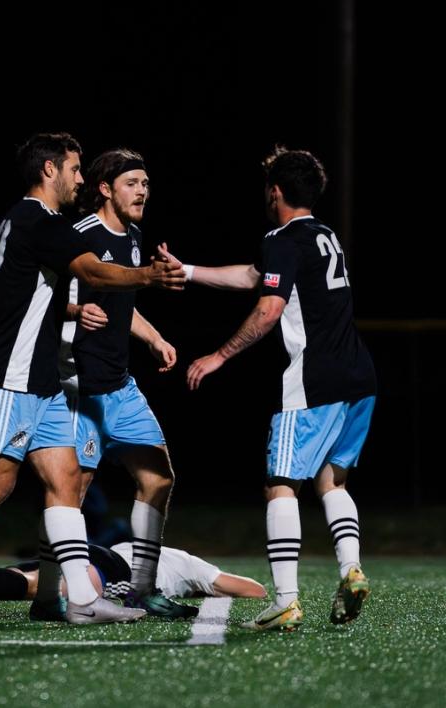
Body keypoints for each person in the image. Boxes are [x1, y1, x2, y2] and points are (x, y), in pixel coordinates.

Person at [0, 133, 185, 626]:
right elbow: (92, 271)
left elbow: (36, 292)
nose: (80, 179)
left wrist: (77, 308)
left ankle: (79, 599)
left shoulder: (31, 223)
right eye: (75, 169)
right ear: (49, 171)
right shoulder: (40, 220)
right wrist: (148, 277)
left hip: (43, 383)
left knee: (65, 484)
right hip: (9, 377)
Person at [160, 146, 376, 630]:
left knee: (280, 486)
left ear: (274, 191)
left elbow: (269, 307)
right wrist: (189, 271)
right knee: (331, 482)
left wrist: (218, 355)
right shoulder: (322, 235)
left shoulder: (282, 237)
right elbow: (258, 277)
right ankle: (351, 570)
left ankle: (286, 600)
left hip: (314, 382)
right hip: (360, 378)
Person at [33, 148, 194, 620]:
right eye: (132, 182)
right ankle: (49, 596)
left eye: (146, 182)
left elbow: (123, 305)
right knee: (70, 495)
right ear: (105, 188)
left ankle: (142, 590)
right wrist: (74, 311)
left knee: (158, 476)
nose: (142, 189)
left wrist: (155, 338)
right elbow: (37, 299)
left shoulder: (135, 236)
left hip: (120, 387)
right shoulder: (77, 237)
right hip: (76, 388)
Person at [0, 544, 267, 605]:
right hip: (117, 570)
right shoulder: (192, 564)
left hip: (92, 547)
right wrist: (207, 587)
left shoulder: (157, 547)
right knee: (30, 586)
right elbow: (254, 591)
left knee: (8, 578)